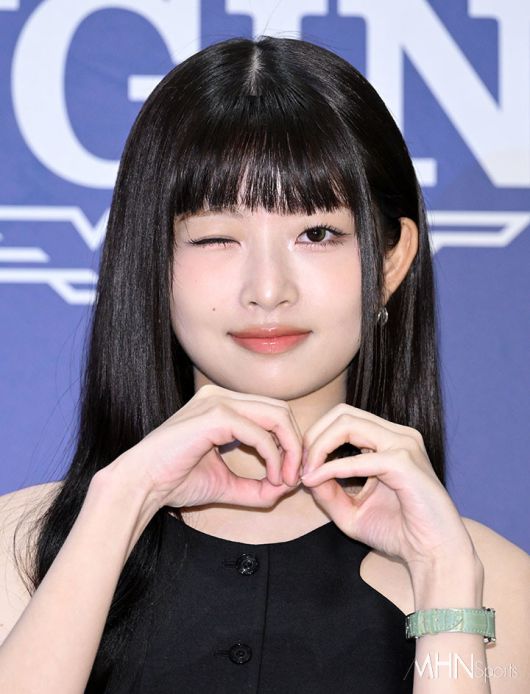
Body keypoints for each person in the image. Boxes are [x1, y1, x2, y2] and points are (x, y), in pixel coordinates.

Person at [0, 35, 528, 694]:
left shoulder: (488, 580)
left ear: (391, 262)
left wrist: (444, 578)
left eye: (317, 234)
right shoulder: (23, 547)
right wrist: (119, 501)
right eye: (216, 237)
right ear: (151, 261)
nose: (268, 289)